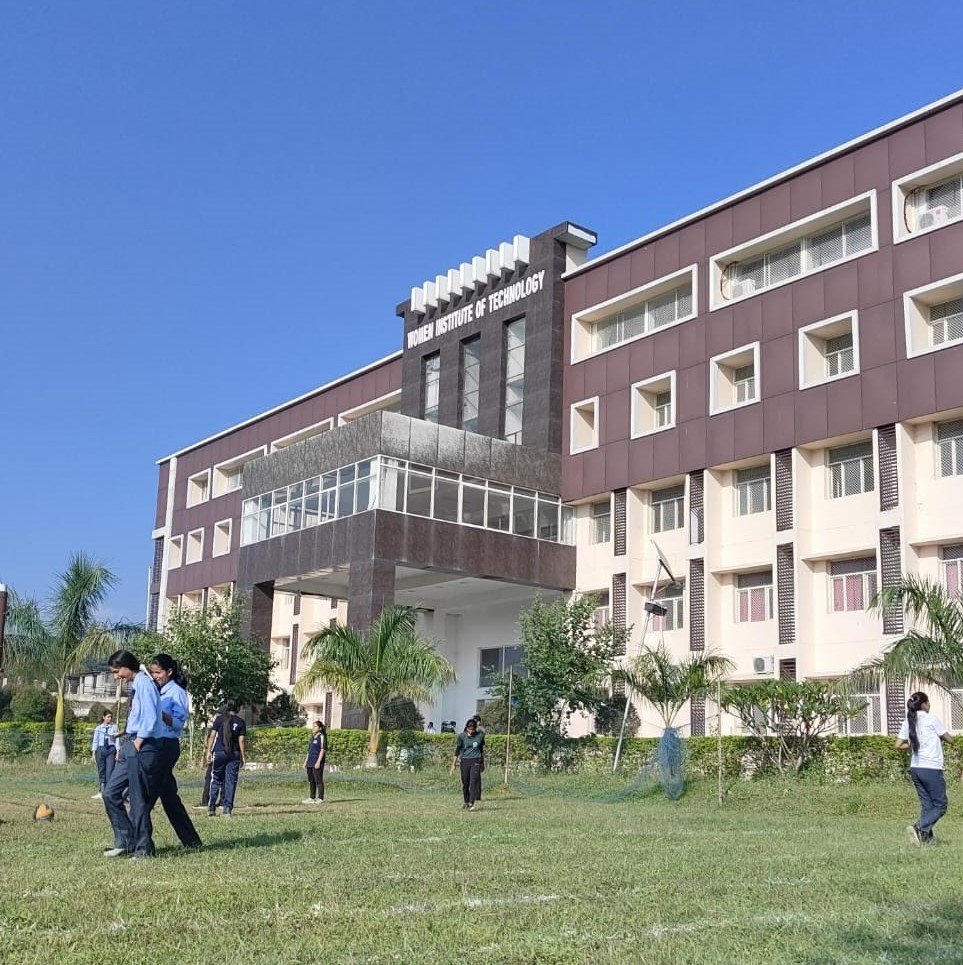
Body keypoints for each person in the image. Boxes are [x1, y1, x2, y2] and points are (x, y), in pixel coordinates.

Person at [103, 649, 164, 859]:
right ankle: (125, 841)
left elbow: (150, 718)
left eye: (117, 671)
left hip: (143, 745)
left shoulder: (145, 684)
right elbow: (138, 716)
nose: (116, 676)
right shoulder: (136, 685)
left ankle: (144, 848)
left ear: (128, 666)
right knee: (110, 793)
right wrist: (125, 738)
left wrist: (137, 743)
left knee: (138, 800)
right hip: (130, 743)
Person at [149, 653, 203, 850]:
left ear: (169, 672)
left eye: (158, 672)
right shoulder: (156, 691)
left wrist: (159, 712)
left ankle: (136, 841)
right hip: (156, 743)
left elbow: (178, 724)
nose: (155, 676)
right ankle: (192, 841)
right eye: (152, 673)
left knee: (147, 796)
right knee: (170, 798)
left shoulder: (177, 692)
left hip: (167, 745)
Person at [897, 691, 953, 845]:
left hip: (916, 768)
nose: (930, 705)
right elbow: (950, 739)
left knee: (927, 805)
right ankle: (919, 827)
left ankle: (926, 840)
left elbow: (898, 745)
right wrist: (939, 738)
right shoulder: (932, 719)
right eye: (928, 703)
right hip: (931, 768)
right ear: (924, 704)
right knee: (941, 805)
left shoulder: (908, 721)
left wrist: (914, 744)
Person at [206, 701, 246, 816]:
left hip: (219, 752)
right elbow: (241, 741)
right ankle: (227, 809)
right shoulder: (241, 722)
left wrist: (209, 751)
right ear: (237, 709)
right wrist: (243, 756)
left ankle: (211, 807)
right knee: (231, 781)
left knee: (215, 779)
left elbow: (212, 736)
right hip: (234, 754)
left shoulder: (219, 720)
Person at [450, 717, 485, 811]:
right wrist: (453, 765)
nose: (471, 731)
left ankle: (471, 803)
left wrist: (482, 763)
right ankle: (466, 801)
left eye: (472, 729)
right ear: (467, 728)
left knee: (473, 782)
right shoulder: (462, 736)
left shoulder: (480, 736)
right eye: (469, 729)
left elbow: (481, 750)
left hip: (475, 761)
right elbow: (457, 751)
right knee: (466, 783)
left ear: (475, 728)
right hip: (465, 761)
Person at [90, 710, 118, 799]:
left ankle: (108, 792)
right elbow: (95, 741)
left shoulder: (114, 727)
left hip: (111, 750)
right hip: (101, 750)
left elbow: (117, 740)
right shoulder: (98, 728)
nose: (109, 718)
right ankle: (100, 791)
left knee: (109, 771)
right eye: (108, 717)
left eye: (110, 717)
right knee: (101, 771)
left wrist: (118, 752)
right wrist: (93, 753)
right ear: (104, 717)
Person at [302, 720, 327, 804]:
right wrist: (305, 762)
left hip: (317, 762)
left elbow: (323, 750)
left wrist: (318, 762)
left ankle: (320, 798)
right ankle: (312, 798)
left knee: (318, 780)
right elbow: (309, 751)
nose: (313, 728)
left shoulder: (322, 736)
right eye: (312, 726)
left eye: (315, 726)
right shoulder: (312, 737)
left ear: (320, 728)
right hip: (310, 762)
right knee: (311, 780)